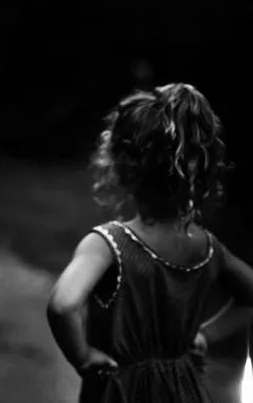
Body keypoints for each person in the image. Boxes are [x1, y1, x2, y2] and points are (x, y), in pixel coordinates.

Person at [46, 83, 253, 402]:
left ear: (123, 166)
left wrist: (83, 357)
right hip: (184, 388)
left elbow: (62, 305)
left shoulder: (107, 244)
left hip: (122, 390)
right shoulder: (208, 247)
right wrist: (206, 335)